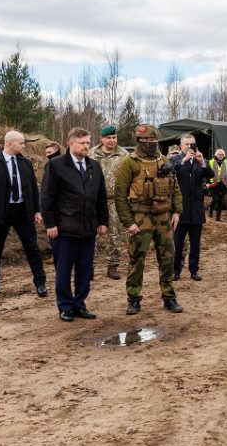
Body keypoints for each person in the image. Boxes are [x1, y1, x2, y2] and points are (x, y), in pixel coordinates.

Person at [114, 124, 184, 315]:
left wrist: (177, 211)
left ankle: (169, 298)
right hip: (141, 216)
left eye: (155, 141)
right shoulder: (129, 163)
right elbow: (119, 195)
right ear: (139, 141)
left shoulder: (164, 161)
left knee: (168, 257)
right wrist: (129, 222)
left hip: (164, 216)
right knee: (137, 258)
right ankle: (134, 299)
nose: (153, 144)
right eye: (149, 141)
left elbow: (175, 189)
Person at [41, 127, 109, 321]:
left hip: (88, 227)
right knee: (64, 269)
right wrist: (50, 224)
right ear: (70, 143)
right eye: (82, 143)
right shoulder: (56, 165)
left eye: (88, 142)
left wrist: (103, 221)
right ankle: (65, 306)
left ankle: (80, 303)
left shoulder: (94, 166)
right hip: (64, 228)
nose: (86, 146)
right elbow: (47, 197)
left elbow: (100, 197)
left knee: (85, 269)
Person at [0, 130, 47, 297]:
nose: (23, 145)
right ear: (9, 143)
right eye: (21, 142)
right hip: (1, 212)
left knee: (32, 248)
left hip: (23, 211)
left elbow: (33, 189)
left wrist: (37, 210)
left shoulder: (25, 163)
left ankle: (40, 283)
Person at [89, 125, 128, 280]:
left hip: (114, 200)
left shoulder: (124, 154)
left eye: (114, 137)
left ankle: (112, 266)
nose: (112, 141)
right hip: (94, 200)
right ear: (102, 139)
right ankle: (88, 266)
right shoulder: (92, 154)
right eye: (108, 138)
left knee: (115, 235)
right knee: (92, 234)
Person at [173, 133, 213, 282]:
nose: (190, 147)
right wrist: (183, 160)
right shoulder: (175, 160)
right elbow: (169, 171)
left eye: (192, 144)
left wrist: (202, 161)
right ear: (181, 146)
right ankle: (175, 270)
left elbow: (211, 174)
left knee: (195, 244)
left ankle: (194, 270)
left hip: (196, 208)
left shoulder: (200, 160)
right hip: (180, 208)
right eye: (187, 144)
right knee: (177, 243)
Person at [208, 148, 227, 221]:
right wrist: (208, 183)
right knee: (216, 199)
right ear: (216, 155)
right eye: (219, 154)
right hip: (214, 184)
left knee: (221, 201)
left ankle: (218, 218)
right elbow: (207, 173)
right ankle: (210, 209)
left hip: (223, 184)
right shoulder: (210, 162)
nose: (221, 156)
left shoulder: (226, 162)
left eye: (222, 154)